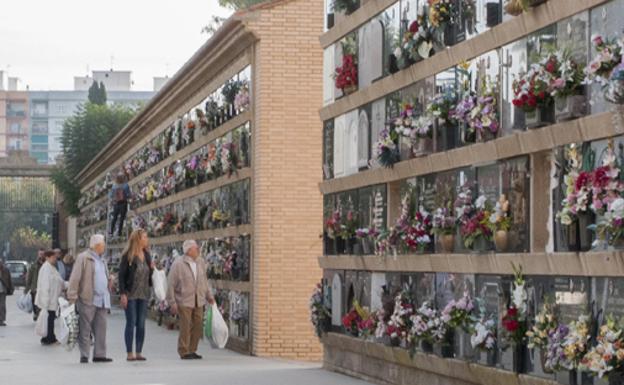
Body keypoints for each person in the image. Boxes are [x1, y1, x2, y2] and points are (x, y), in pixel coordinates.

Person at [67, 234, 113, 364]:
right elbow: (75, 277)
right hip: (88, 298)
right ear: (97, 245)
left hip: (102, 298)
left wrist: (109, 280)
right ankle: (84, 355)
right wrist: (72, 296)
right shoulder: (84, 258)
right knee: (85, 329)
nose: (104, 246)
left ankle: (100, 355)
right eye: (103, 244)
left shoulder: (102, 259)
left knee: (101, 328)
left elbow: (102, 275)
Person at [166, 240, 215, 360]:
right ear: (188, 251)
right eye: (195, 248)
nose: (198, 250)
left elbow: (204, 281)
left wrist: (209, 296)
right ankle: (184, 351)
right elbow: (171, 284)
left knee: (198, 325)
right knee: (185, 326)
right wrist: (172, 302)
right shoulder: (178, 264)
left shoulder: (200, 262)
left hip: (199, 299)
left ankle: (192, 349)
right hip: (184, 300)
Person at [118, 229, 154, 362]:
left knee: (141, 324)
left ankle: (139, 352)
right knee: (131, 322)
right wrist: (123, 293)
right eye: (145, 237)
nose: (147, 239)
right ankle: (129, 352)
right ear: (138, 239)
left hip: (144, 294)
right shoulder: (128, 255)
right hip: (131, 294)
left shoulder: (147, 255)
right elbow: (121, 276)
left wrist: (153, 269)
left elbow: (149, 273)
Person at [35, 250, 66, 345]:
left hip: (52, 300)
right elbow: (45, 286)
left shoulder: (52, 268)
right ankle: (49, 339)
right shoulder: (46, 269)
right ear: (47, 257)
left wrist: (67, 286)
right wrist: (45, 302)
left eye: (55, 257)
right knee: (49, 320)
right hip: (48, 300)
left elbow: (59, 281)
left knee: (50, 319)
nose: (55, 259)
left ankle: (48, 338)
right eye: (53, 257)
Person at [109, 173, 131, 238]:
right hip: (123, 203)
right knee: (122, 218)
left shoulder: (114, 186)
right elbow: (128, 194)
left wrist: (113, 199)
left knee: (114, 218)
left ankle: (111, 232)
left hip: (116, 204)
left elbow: (111, 195)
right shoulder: (125, 185)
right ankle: (119, 233)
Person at [26, 249, 45, 321]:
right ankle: (36, 313)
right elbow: (29, 276)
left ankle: (40, 315)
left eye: (43, 254)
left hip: (44, 287)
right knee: (35, 302)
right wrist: (27, 288)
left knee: (42, 302)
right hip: (35, 287)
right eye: (40, 254)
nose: (41, 255)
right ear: (38, 254)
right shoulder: (34, 265)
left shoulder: (47, 264)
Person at [0, 258, 14, 326]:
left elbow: (9, 279)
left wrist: (11, 288)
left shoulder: (5, 270)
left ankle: (1, 320)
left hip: (3, 291)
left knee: (2, 306)